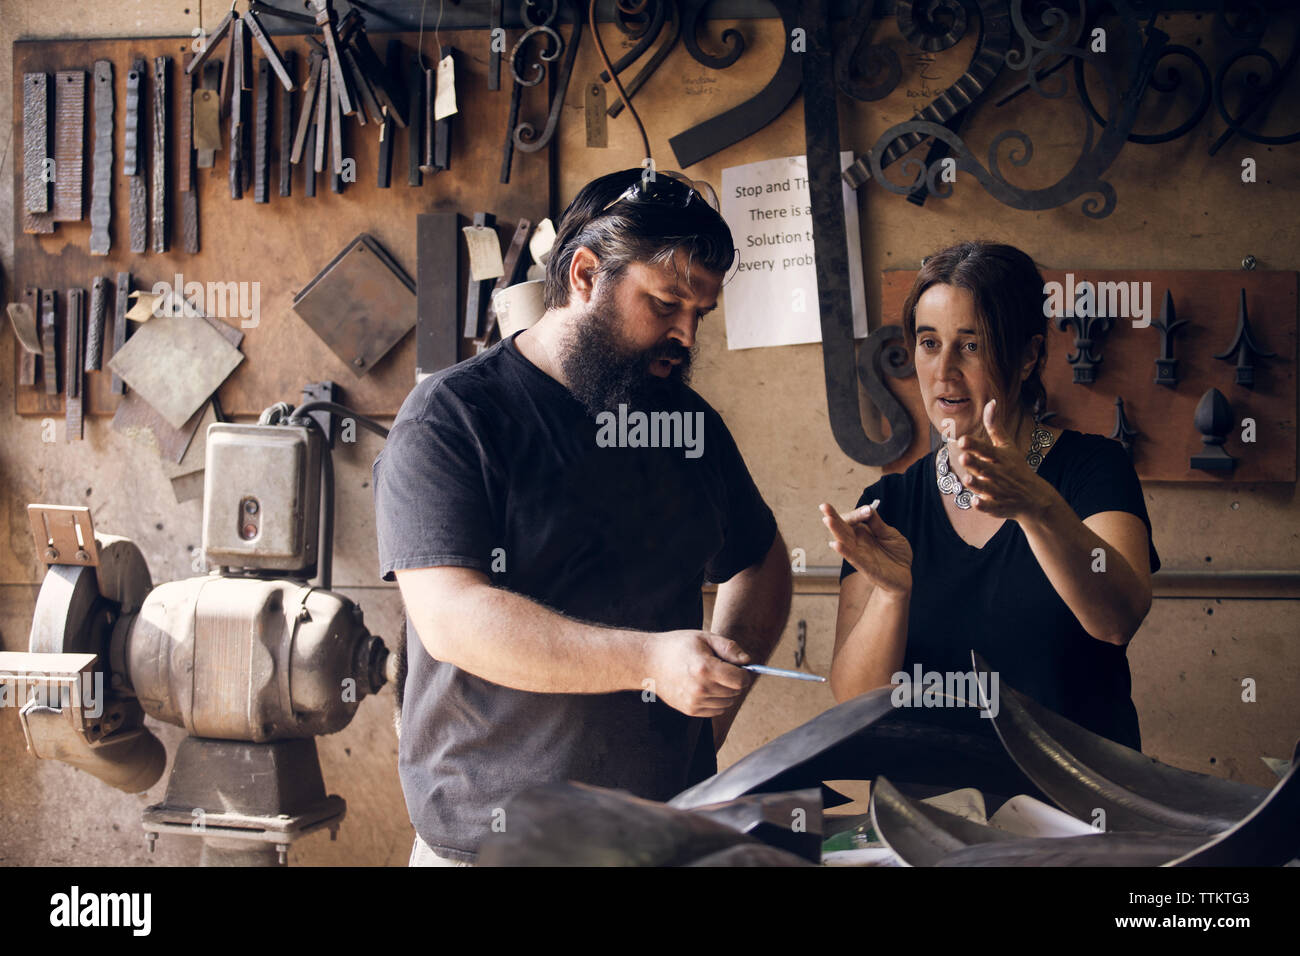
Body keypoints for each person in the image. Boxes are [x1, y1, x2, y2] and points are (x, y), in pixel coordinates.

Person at [373, 168, 792, 865]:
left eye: (700, 314)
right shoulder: (455, 418)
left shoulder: (687, 425)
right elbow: (453, 619)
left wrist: (716, 700)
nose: (686, 336)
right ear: (585, 274)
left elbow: (759, 559)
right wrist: (652, 662)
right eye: (664, 304)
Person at [822, 240, 1160, 750]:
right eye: (929, 342)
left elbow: (1118, 620)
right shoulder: (889, 504)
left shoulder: (1092, 469)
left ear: (1027, 356)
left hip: (1079, 808)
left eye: (972, 344)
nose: (944, 371)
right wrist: (893, 594)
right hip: (933, 812)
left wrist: (1036, 505)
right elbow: (854, 704)